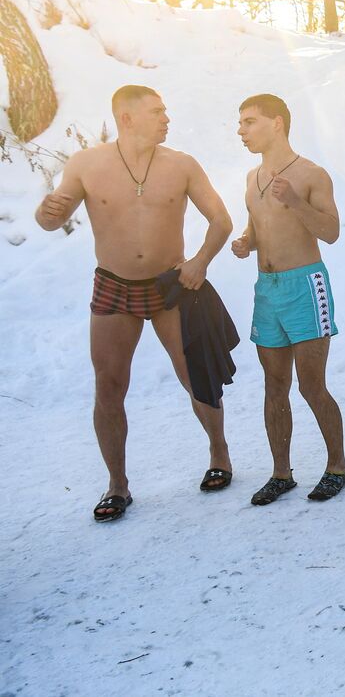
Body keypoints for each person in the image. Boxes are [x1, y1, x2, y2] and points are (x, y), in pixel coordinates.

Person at [35, 85, 234, 522]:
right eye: (158, 111)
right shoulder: (86, 164)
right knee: (108, 385)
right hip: (113, 285)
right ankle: (117, 485)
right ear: (127, 118)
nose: (167, 118)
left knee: (194, 375)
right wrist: (46, 214)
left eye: (166, 110)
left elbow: (221, 220)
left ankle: (219, 453)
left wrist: (200, 261)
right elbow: (53, 217)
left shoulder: (182, 165)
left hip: (170, 284)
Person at [232, 94, 345, 506]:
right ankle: (281, 474)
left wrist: (296, 201)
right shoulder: (252, 177)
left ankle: (337, 467)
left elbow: (332, 232)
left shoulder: (311, 173)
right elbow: (259, 224)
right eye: (241, 122)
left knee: (311, 385)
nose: (241, 130)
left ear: (277, 123)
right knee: (274, 384)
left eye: (249, 121)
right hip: (268, 288)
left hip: (305, 284)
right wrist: (248, 241)